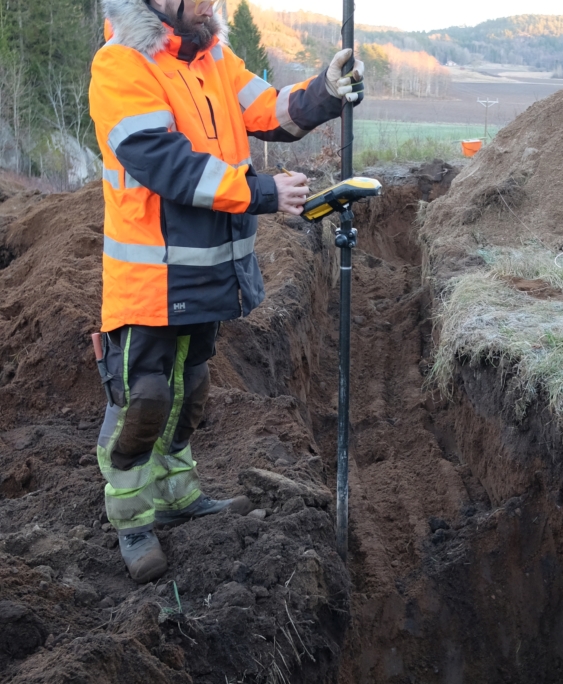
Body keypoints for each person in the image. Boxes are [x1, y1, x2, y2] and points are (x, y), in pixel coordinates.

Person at [89, 0, 364, 584]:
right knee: (144, 400)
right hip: (150, 278)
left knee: (190, 390)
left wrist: (326, 91)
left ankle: (179, 493)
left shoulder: (213, 56)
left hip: (208, 269)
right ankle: (133, 520)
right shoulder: (123, 65)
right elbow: (167, 165)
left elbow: (268, 109)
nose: (212, 3)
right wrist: (262, 192)